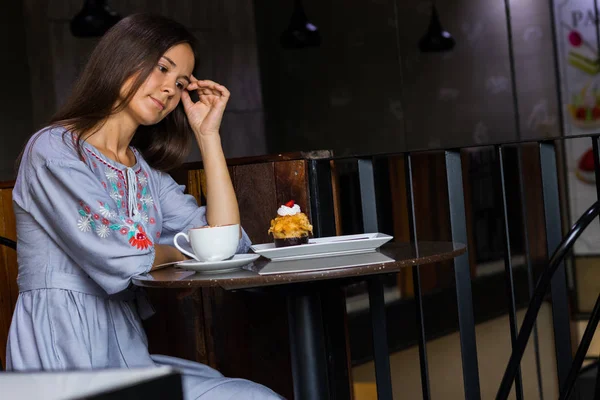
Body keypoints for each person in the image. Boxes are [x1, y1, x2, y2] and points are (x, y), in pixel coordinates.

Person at [6, 13, 283, 399]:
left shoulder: (143, 171)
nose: (169, 89)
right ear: (121, 57)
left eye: (182, 82)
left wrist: (208, 137)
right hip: (61, 349)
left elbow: (228, 243)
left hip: (127, 348)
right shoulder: (54, 150)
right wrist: (182, 250)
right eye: (161, 68)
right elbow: (125, 256)